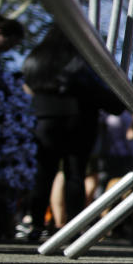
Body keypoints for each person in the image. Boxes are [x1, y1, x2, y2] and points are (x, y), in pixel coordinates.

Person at [21, 26, 124, 241]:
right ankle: (74, 226)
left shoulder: (38, 57)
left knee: (44, 173)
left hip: (45, 118)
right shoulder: (81, 58)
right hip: (80, 119)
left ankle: (36, 224)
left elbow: (29, 84)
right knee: (75, 174)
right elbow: (99, 91)